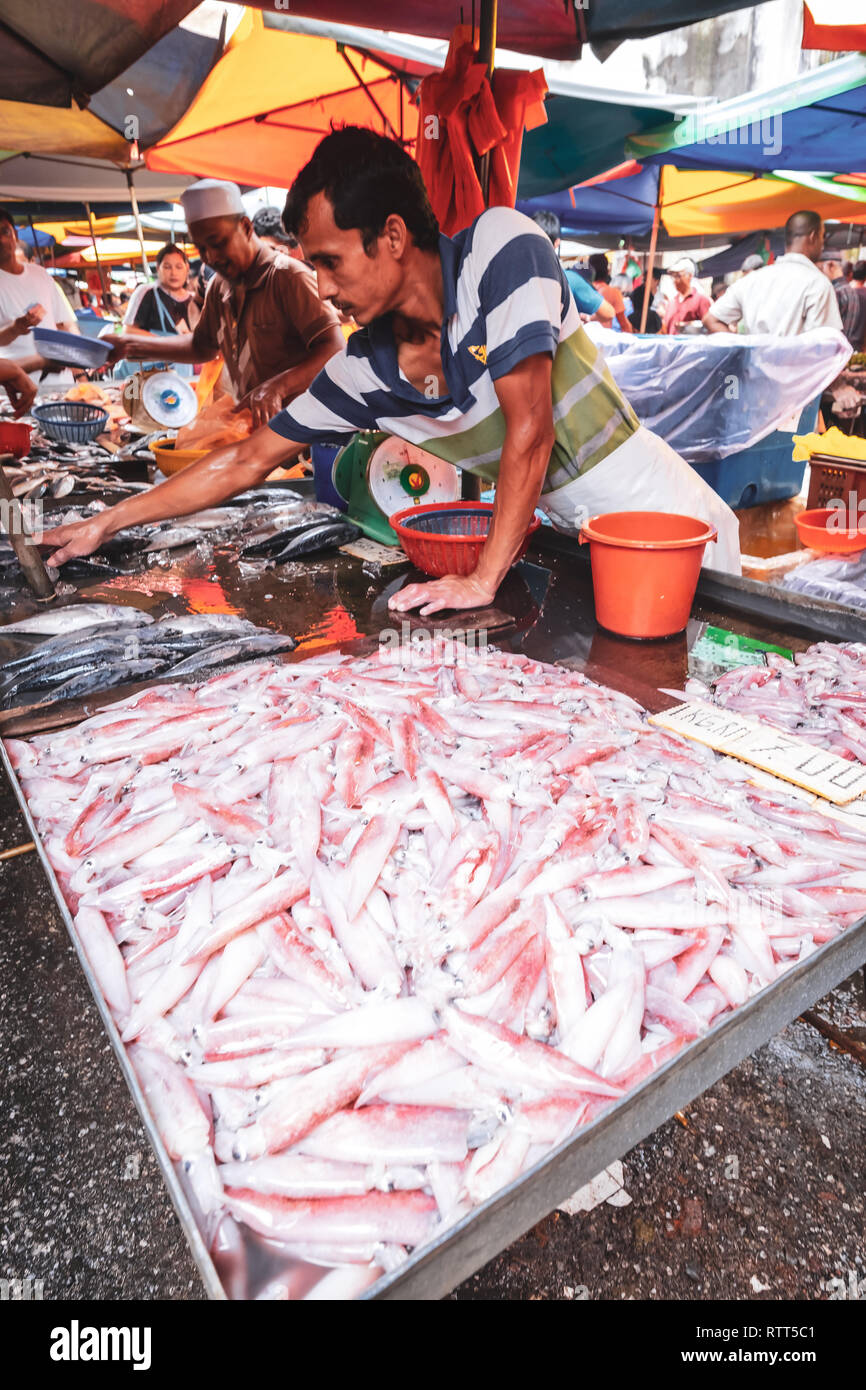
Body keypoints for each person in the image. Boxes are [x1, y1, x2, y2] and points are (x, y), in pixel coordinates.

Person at [43, 127, 740, 594]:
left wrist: (480, 581)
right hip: (561, 537)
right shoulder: (363, 368)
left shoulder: (501, 248)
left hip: (663, 520)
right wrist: (107, 521)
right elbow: (246, 459)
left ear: (393, 236)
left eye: (330, 261)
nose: (321, 286)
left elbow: (531, 429)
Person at [106, 179, 345, 428]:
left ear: (245, 227)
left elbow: (335, 349)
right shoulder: (219, 287)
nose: (211, 257)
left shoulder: (287, 277)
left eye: (219, 243)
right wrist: (129, 344)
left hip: (307, 437)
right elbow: (202, 347)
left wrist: (278, 387)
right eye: (202, 249)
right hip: (256, 433)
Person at [703, 211, 842, 337]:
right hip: (797, 365)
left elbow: (711, 319)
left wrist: (743, 350)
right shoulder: (817, 284)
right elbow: (824, 345)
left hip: (754, 364)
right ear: (813, 236)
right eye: (822, 237)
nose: (822, 244)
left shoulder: (752, 280)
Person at [0, 206, 80, 383]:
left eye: (5, 231)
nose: (1, 240)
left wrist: (80, 372)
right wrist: (15, 329)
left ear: (16, 236)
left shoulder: (40, 274)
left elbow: (64, 325)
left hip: (61, 382)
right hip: (16, 386)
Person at [530, 212, 614, 327]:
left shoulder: (511, 276)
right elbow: (609, 313)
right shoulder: (569, 279)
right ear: (557, 243)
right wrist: (588, 318)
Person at [125, 243, 200, 337]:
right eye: (167, 267)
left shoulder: (195, 299)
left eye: (179, 267)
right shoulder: (147, 293)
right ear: (158, 268)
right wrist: (166, 342)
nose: (174, 272)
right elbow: (129, 331)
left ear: (187, 268)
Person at [818, 249, 866, 352]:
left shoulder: (836, 292)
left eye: (821, 268)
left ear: (831, 265)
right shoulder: (850, 291)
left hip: (835, 356)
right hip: (848, 353)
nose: (820, 272)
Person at [661, 259, 710, 334]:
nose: (675, 280)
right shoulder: (672, 302)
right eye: (673, 276)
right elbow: (665, 328)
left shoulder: (701, 300)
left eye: (678, 276)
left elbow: (708, 327)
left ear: (690, 276)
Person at [589, 253, 633, 333]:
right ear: (607, 270)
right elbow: (624, 324)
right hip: (603, 341)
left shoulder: (581, 290)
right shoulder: (613, 293)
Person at [628, 268, 662, 333]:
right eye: (644, 280)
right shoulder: (632, 317)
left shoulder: (663, 298)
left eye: (647, 280)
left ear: (656, 281)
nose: (645, 283)